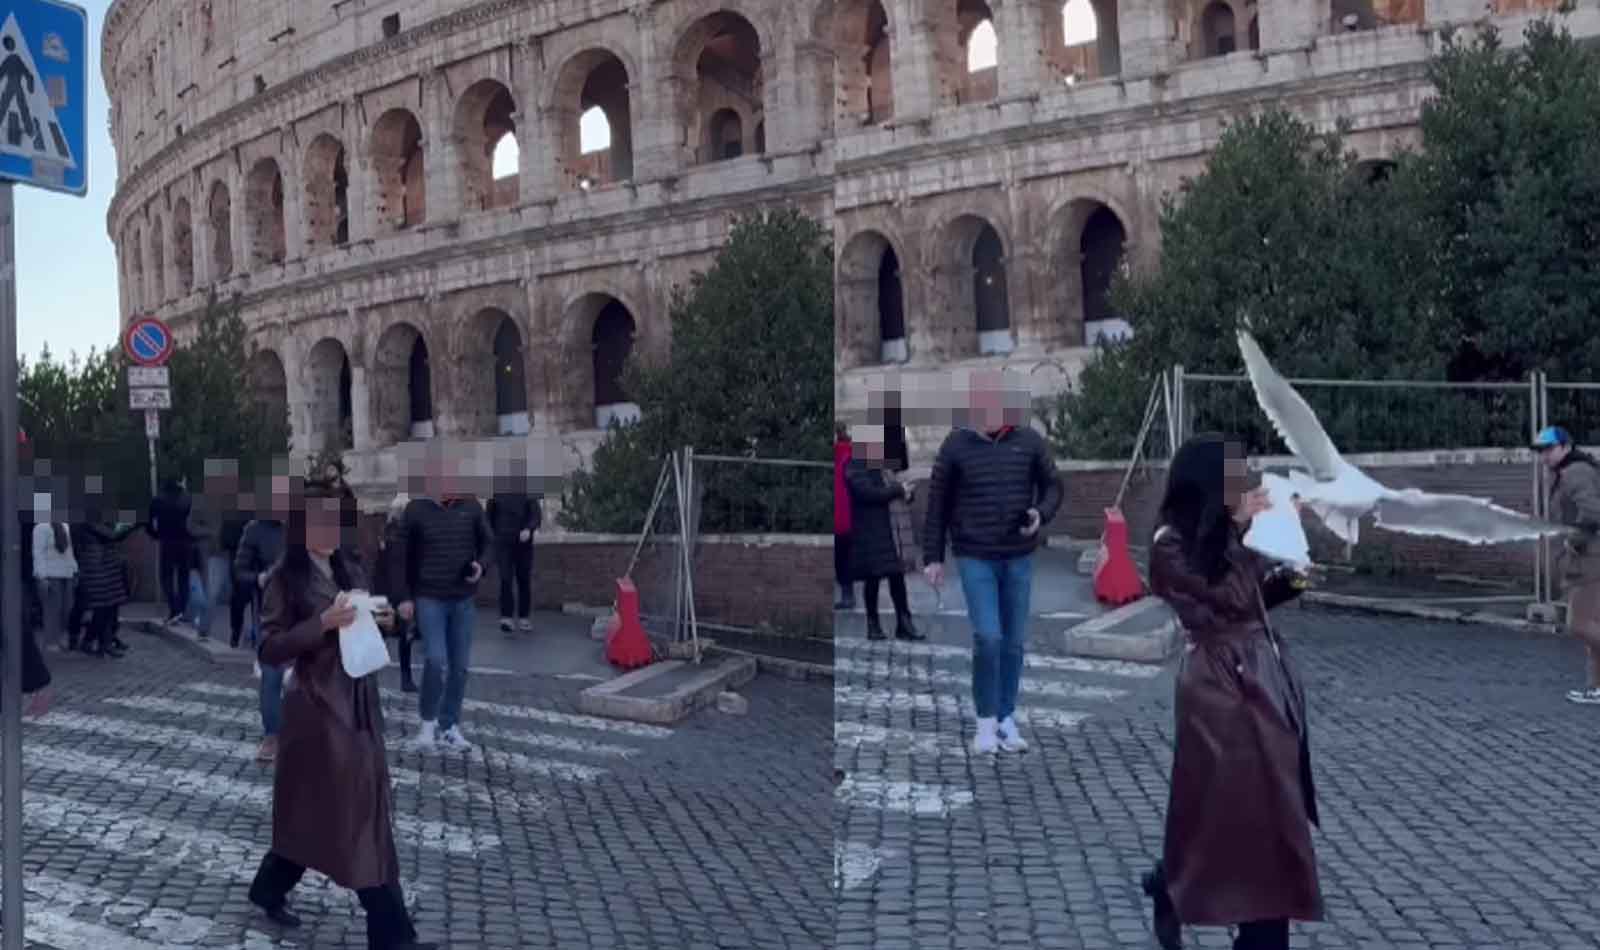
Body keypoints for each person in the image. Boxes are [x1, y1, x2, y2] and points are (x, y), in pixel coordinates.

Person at [1143, 433, 1321, 950]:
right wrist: (1253, 534)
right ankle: (1247, 924)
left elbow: (1254, 600)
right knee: (1252, 819)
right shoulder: (1170, 546)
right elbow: (1229, 597)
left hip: (1264, 679)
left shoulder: (1224, 538)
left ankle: (1173, 884)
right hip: (1220, 692)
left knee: (1254, 817)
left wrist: (1293, 574)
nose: (1247, 487)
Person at [245, 477, 438, 950]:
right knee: (353, 816)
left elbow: (367, 626)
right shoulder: (283, 578)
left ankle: (269, 886)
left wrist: (385, 619)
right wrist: (321, 624)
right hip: (316, 711)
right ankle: (392, 937)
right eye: (318, 521)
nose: (328, 530)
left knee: (327, 816)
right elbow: (270, 648)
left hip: (359, 704)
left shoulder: (350, 564)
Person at [921, 371, 1062, 754]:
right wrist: (932, 557)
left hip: (1018, 554)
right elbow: (937, 504)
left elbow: (1053, 486)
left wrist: (1040, 513)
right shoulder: (955, 446)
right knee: (989, 636)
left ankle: (1005, 719)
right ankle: (984, 722)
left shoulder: (1029, 441)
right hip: (974, 554)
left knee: (1013, 641)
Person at [393, 449, 492, 750]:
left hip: (462, 597)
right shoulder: (415, 510)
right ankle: (427, 723)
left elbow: (489, 542)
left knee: (460, 666)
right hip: (428, 596)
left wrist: (481, 566)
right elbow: (400, 558)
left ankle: (449, 725)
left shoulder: (472, 506)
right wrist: (404, 597)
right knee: (435, 660)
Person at [1531, 427, 1600, 703]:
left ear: (1566, 447)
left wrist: (1576, 539)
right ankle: (1597, 688)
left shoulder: (1576, 472)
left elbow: (1594, 513)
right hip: (1587, 556)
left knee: (1579, 624)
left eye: (1548, 449)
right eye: (1540, 451)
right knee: (1594, 625)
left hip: (1591, 559)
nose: (1544, 456)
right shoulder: (1569, 472)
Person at [846, 425, 922, 642]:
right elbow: (866, 493)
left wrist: (906, 492)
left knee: (897, 577)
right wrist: (898, 491)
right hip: (871, 531)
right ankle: (873, 625)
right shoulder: (856, 463)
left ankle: (904, 623)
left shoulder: (884, 465)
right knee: (873, 578)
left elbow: (894, 486)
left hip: (892, 529)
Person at [236, 476, 288, 761]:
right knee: (272, 673)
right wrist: (259, 578)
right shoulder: (254, 530)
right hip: (271, 612)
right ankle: (272, 736)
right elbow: (240, 571)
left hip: (307, 608)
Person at [373, 494, 418, 693]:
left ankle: (368, 677)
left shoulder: (386, 533)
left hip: (384, 592)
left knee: (383, 635)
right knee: (404, 636)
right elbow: (399, 568)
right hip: (399, 593)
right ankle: (405, 678)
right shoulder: (403, 536)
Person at [486, 468, 540, 634]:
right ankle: (506, 618)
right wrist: (492, 537)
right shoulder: (495, 493)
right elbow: (488, 518)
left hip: (523, 543)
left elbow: (536, 515)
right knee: (505, 579)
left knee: (523, 579)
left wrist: (528, 529)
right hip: (503, 543)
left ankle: (524, 618)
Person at [32, 491, 78, 654]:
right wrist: (41, 577)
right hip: (50, 575)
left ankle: (59, 637)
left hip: (66, 573)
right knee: (52, 609)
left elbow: (69, 550)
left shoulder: (64, 525)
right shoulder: (40, 527)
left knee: (67, 608)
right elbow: (37, 553)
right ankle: (51, 641)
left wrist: (74, 570)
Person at [147, 477, 194, 625]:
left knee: (165, 576)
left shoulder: (158, 500)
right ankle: (181, 609)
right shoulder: (187, 499)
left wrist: (156, 535)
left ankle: (174, 608)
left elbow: (148, 522)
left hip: (167, 542)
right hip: (185, 542)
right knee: (183, 577)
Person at [834, 424, 856, 610]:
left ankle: (848, 594)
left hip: (843, 516)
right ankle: (847, 594)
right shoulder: (849, 454)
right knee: (844, 556)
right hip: (847, 515)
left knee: (842, 557)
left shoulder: (843, 455)